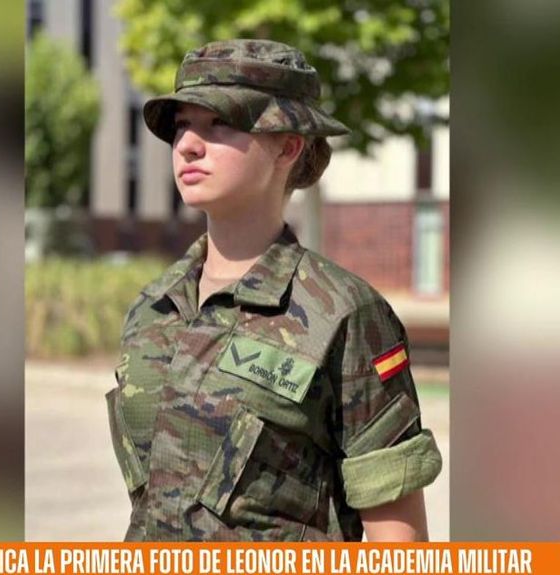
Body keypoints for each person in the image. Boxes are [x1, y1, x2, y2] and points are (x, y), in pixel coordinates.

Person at [106, 39, 442, 542]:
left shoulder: (343, 312)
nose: (189, 146)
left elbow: (398, 541)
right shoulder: (155, 308)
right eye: (181, 127)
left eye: (219, 122)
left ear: (288, 146)